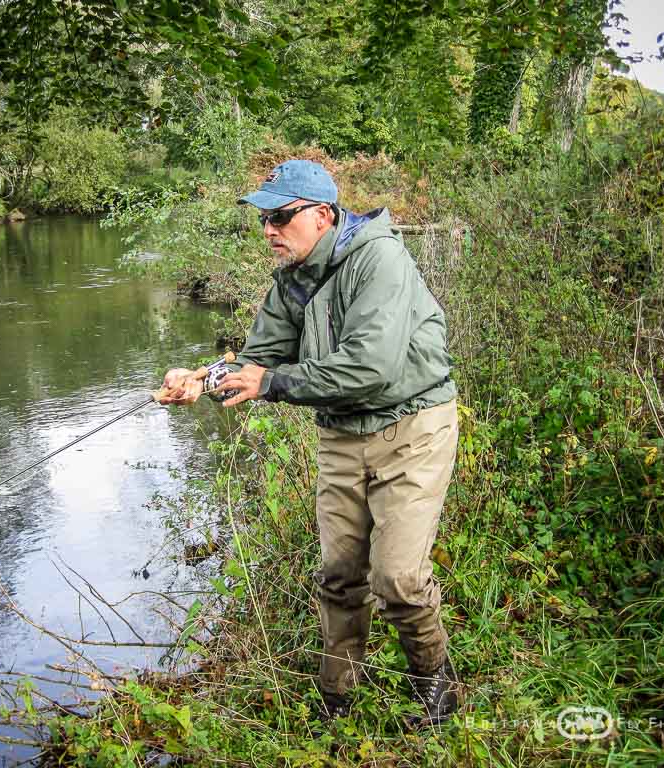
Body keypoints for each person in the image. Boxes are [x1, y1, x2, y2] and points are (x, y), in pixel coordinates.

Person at [159, 159, 459, 726]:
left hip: (413, 427)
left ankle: (435, 688)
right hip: (342, 433)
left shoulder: (380, 260)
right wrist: (203, 379)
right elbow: (259, 357)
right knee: (340, 574)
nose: (269, 230)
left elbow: (368, 369)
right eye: (263, 219)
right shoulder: (292, 276)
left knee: (398, 579)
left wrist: (270, 383)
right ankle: (335, 701)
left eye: (280, 216)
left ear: (323, 215)